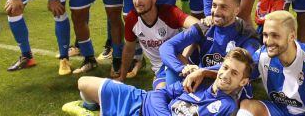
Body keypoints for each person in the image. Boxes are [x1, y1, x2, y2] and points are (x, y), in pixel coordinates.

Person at [62, 48, 253, 116]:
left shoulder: (225, 105)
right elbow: (159, 94)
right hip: (141, 101)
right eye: (225, 67)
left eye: (234, 73)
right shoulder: (198, 82)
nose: (226, 75)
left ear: (243, 82)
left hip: (150, 108)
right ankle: (90, 105)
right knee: (84, 83)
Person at [236, 11, 305, 116]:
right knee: (247, 106)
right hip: (278, 111)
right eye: (265, 35)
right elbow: (238, 72)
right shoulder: (263, 55)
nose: (268, 41)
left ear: (292, 36)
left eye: (275, 35)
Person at [160, 0, 260, 85]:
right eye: (214, 5)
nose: (216, 12)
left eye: (223, 7)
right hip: (199, 77)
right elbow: (166, 47)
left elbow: (246, 64)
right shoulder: (205, 26)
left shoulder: (247, 33)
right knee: (171, 64)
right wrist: (181, 68)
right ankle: (172, 95)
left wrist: (203, 71)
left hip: (226, 84)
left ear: (236, 11)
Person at [116, 0, 198, 89]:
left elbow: (197, 26)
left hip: (183, 59)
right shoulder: (132, 19)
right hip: (161, 68)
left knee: (191, 88)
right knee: (161, 92)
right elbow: (129, 49)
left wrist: (184, 56)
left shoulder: (169, 13)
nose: (137, 1)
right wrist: (122, 76)